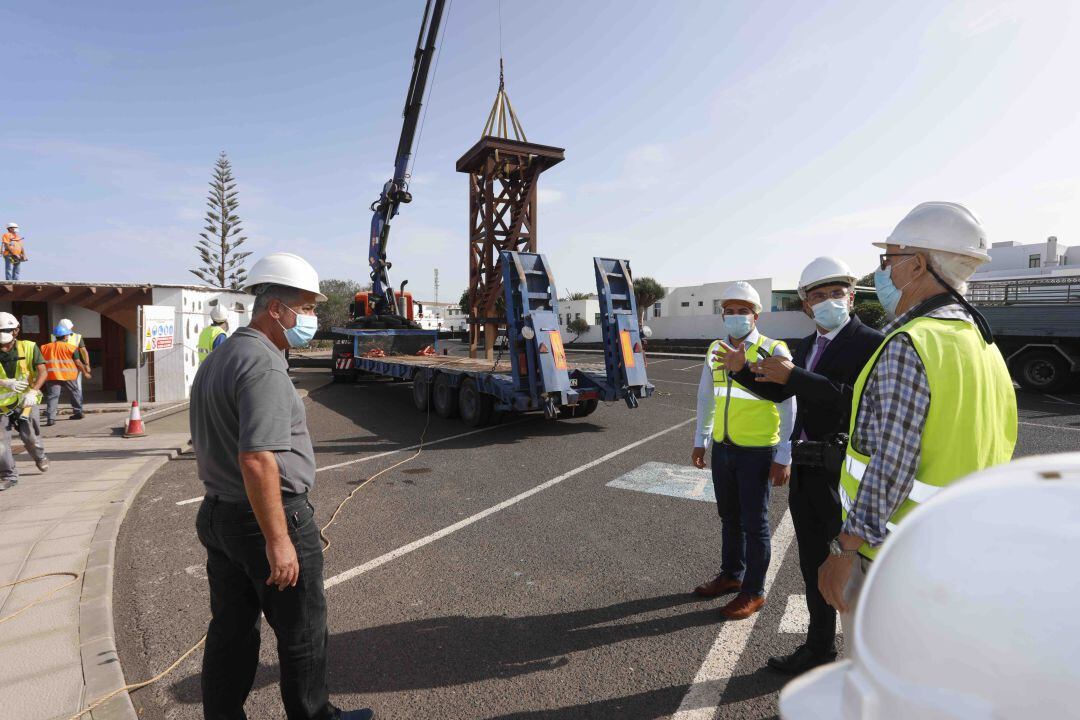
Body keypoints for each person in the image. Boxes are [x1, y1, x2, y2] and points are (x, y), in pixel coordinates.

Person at [816, 202, 1017, 650]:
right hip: (955, 549)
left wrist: (843, 551)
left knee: (871, 685)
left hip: (893, 558)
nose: (882, 272)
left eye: (888, 259)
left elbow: (891, 464)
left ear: (917, 264)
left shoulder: (911, 344)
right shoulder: (983, 346)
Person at [190, 252, 373, 720]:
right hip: (265, 518)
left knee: (231, 629)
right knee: (303, 631)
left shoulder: (221, 356)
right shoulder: (264, 365)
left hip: (219, 513)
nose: (310, 318)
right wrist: (278, 540)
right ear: (275, 309)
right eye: (307, 309)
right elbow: (256, 457)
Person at [725, 258, 884, 674]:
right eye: (818, 296)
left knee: (854, 566)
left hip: (847, 475)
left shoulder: (873, 342)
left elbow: (858, 399)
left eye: (836, 293)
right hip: (809, 468)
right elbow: (780, 392)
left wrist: (795, 376)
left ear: (851, 296)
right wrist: (742, 373)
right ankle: (818, 647)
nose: (829, 301)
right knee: (813, 561)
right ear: (807, 306)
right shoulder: (806, 345)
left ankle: (862, 660)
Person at [692, 280, 795, 620]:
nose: (735, 317)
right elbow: (707, 397)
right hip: (724, 449)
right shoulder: (716, 350)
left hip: (757, 452)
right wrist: (700, 439)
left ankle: (754, 591)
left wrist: (784, 456)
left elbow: (789, 407)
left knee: (756, 524)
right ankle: (731, 575)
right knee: (729, 518)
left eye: (743, 312)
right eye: (729, 312)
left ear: (756, 316)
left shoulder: (772, 350)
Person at [0, 312, 49, 490]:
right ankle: (8, 475)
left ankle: (39, 456)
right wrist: (4, 382)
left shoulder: (29, 347)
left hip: (25, 402)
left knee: (30, 437)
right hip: (2, 406)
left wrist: (33, 391)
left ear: (16, 331)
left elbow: (43, 372)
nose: (4, 346)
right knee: (0, 444)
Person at [41, 324, 88, 425]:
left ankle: (51, 418)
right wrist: (84, 372)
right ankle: (78, 412)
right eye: (68, 335)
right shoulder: (71, 347)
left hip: (52, 375)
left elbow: (41, 362)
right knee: (75, 392)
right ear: (66, 336)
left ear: (55, 336)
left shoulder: (45, 347)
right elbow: (78, 362)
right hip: (69, 375)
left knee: (53, 396)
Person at [55, 318, 92, 394]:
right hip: (58, 366)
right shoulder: (54, 336)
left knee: (77, 387)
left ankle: (78, 404)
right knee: (57, 388)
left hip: (74, 366)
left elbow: (83, 351)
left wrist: (87, 364)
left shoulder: (77, 337)